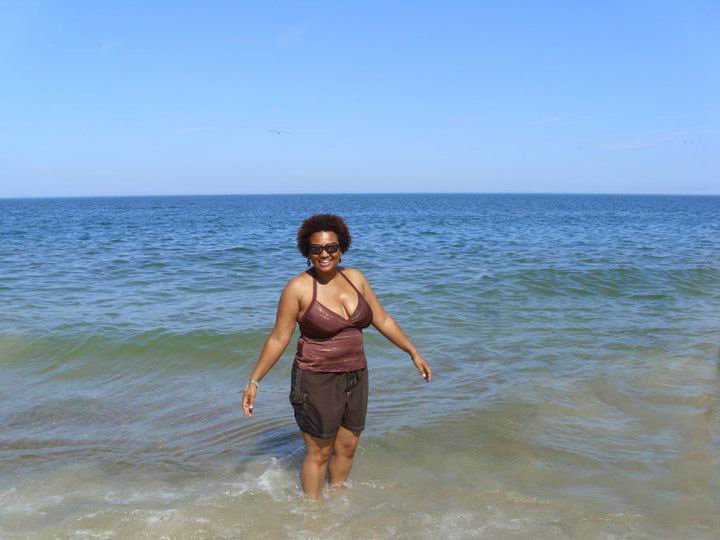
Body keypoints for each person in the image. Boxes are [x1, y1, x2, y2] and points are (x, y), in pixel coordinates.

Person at [241, 213, 432, 499]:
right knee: (319, 452)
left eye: (331, 247)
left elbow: (382, 319)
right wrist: (254, 381)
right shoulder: (298, 288)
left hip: (356, 374)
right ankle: (312, 511)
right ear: (307, 252)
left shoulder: (356, 279)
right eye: (316, 248)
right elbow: (279, 338)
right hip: (316, 379)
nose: (324, 254)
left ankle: (339, 501)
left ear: (341, 248)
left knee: (347, 445)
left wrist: (412, 352)